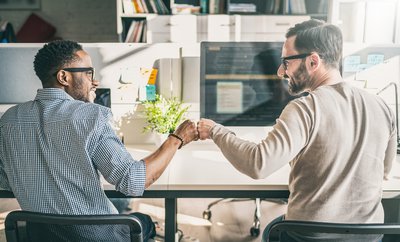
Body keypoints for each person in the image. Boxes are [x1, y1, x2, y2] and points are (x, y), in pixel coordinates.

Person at [197, 19, 396, 241]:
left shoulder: (305, 108)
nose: (281, 71)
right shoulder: (382, 107)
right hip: (369, 237)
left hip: (309, 236)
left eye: (286, 61)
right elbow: (385, 172)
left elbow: (258, 164)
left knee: (272, 230)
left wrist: (216, 131)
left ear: (313, 61)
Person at [0, 40, 198, 242]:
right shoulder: (91, 116)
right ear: (63, 77)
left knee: (116, 205)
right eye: (88, 73)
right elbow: (133, 181)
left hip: (40, 236)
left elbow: (4, 182)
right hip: (96, 237)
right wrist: (177, 139)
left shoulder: (9, 119)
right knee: (143, 221)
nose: (94, 82)